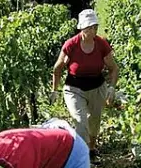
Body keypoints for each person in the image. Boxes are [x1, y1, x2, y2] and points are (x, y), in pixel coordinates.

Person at [51, 9, 120, 153]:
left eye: (95, 26)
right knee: (81, 122)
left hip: (97, 87)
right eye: (90, 27)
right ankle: (83, 154)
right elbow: (57, 68)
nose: (94, 30)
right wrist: (54, 90)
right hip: (74, 88)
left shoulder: (101, 44)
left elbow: (114, 68)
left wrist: (112, 88)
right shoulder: (71, 45)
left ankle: (92, 148)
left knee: (94, 121)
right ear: (83, 28)